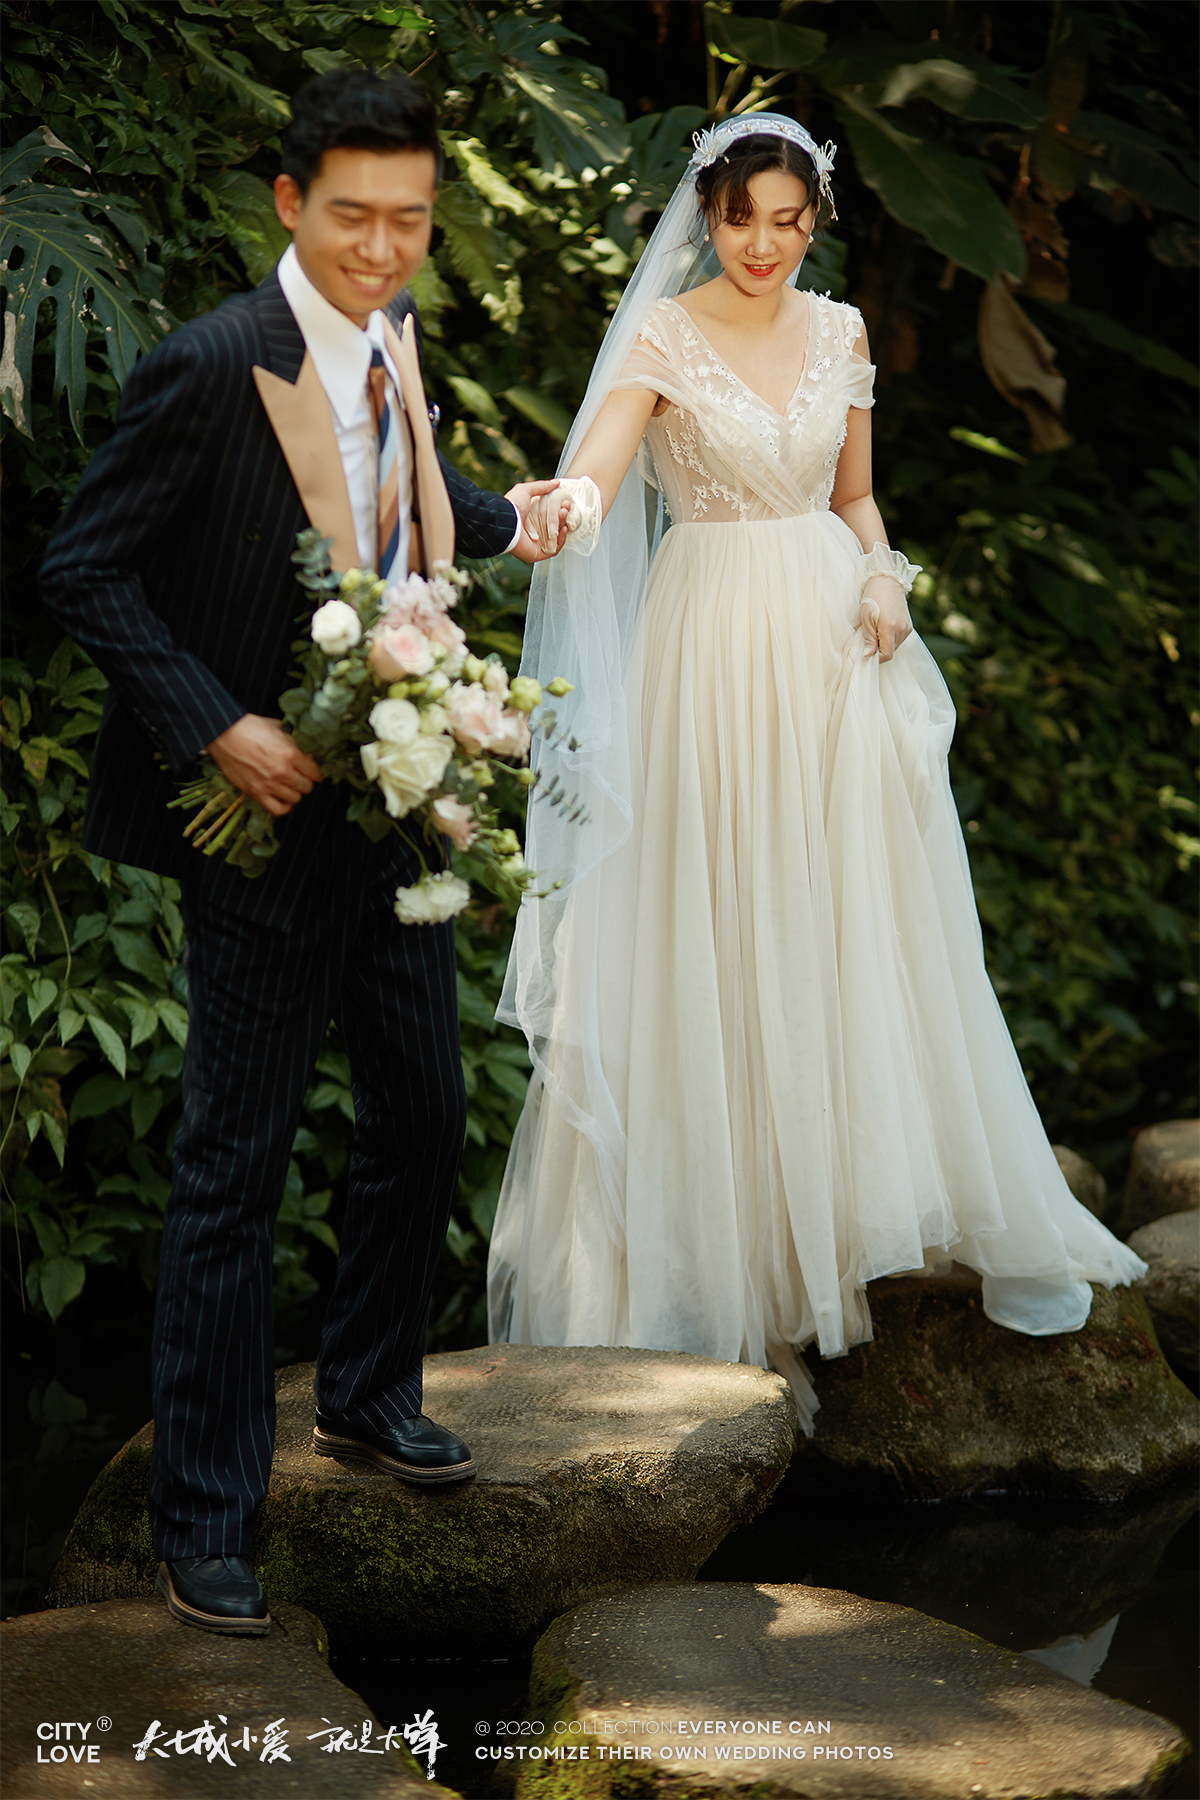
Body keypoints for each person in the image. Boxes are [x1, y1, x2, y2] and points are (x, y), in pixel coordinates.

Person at [487, 114, 1146, 1424]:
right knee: (719, 915)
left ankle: (837, 1220)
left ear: (814, 222)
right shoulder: (664, 333)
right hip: (707, 650)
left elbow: (853, 496)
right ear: (709, 215)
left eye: (788, 222)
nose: (764, 244)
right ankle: (724, 1267)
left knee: (843, 918)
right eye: (743, 219)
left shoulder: (841, 333)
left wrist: (885, 572)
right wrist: (558, 509)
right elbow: (601, 470)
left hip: (830, 637)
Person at [39, 67, 568, 1637]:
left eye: (410, 220)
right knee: (235, 1165)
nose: (382, 247)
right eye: (353, 216)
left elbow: (405, 505)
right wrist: (218, 727)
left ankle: (368, 1395)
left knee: (426, 1104)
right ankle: (205, 1516)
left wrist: (517, 516)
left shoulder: (396, 338)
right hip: (260, 822)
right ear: (290, 202)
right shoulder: (213, 363)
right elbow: (86, 566)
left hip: (397, 794)